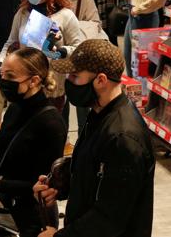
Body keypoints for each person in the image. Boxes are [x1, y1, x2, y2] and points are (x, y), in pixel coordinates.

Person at [34, 39, 155, 237]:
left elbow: (110, 218)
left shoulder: (124, 138)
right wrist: (59, 184)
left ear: (101, 80)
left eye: (75, 76)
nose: (69, 82)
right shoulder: (99, 112)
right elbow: (96, 170)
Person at [0, 48, 66, 237]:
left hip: (33, 218)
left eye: (10, 75)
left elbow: (41, 184)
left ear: (34, 80)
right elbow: (7, 158)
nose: (4, 81)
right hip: (9, 205)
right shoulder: (15, 107)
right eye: (2, 74)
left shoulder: (50, 123)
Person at [0, 0, 83, 111]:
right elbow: (10, 42)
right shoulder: (23, 14)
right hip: (23, 86)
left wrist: (61, 51)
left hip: (52, 88)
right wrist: (1, 62)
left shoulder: (65, 16)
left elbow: (79, 48)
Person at [56, 0, 105, 136]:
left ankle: (86, 137)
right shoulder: (53, 0)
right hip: (61, 59)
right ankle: (63, 136)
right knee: (61, 99)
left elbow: (95, 25)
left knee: (82, 101)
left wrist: (72, 26)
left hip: (82, 60)